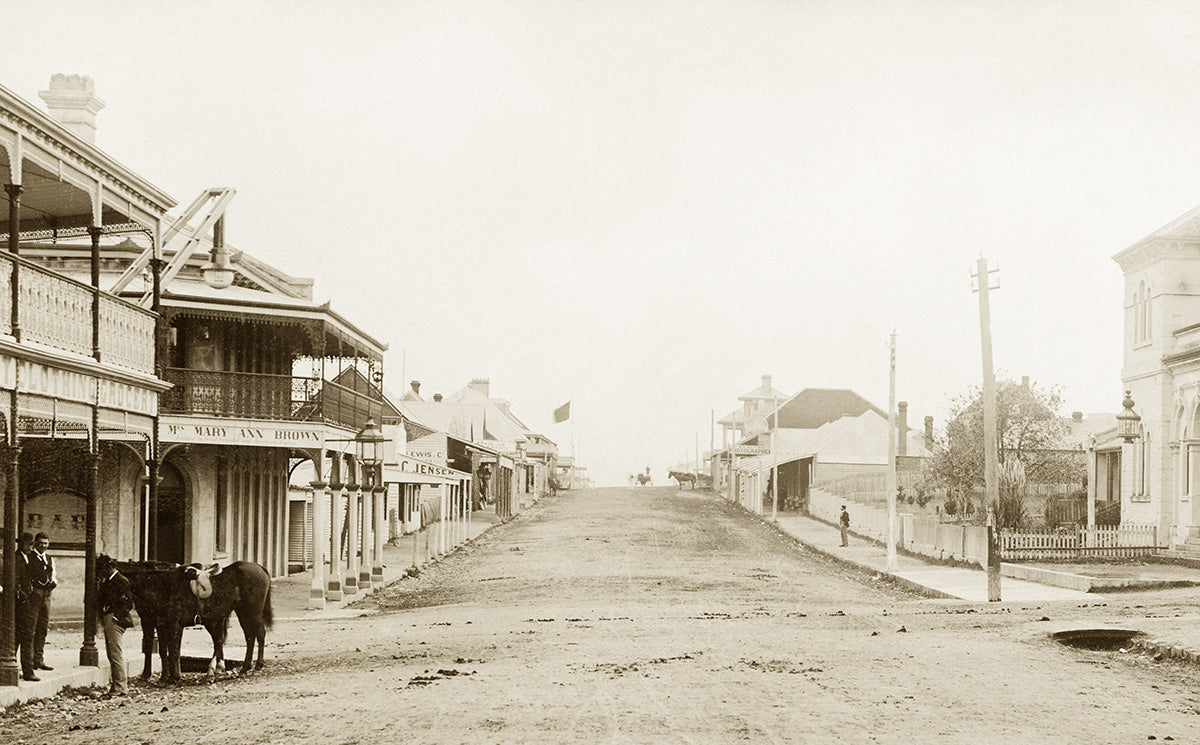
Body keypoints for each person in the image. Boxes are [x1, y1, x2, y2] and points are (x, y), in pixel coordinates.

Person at [96, 554, 134, 697]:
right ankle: (117, 685)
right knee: (113, 653)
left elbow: (127, 603)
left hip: (114, 619)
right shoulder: (112, 580)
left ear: (110, 568)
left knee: (115, 654)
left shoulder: (120, 581)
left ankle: (120, 687)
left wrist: (116, 617)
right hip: (112, 617)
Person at [27, 532, 56, 673]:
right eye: (41, 543)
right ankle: (30, 660)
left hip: (47, 595)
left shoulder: (50, 559)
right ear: (36, 544)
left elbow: (54, 575)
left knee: (43, 628)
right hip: (35, 595)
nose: (43, 546)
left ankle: (39, 659)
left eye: (46, 543)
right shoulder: (30, 558)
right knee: (32, 627)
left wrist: (53, 582)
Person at [14, 532, 37, 681]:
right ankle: (27, 671)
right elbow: (15, 581)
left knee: (20, 637)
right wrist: (23, 595)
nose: (31, 547)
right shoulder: (17, 559)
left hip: (26, 601)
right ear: (21, 544)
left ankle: (19, 668)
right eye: (29, 544)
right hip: (21, 604)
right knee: (26, 636)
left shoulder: (27, 558)